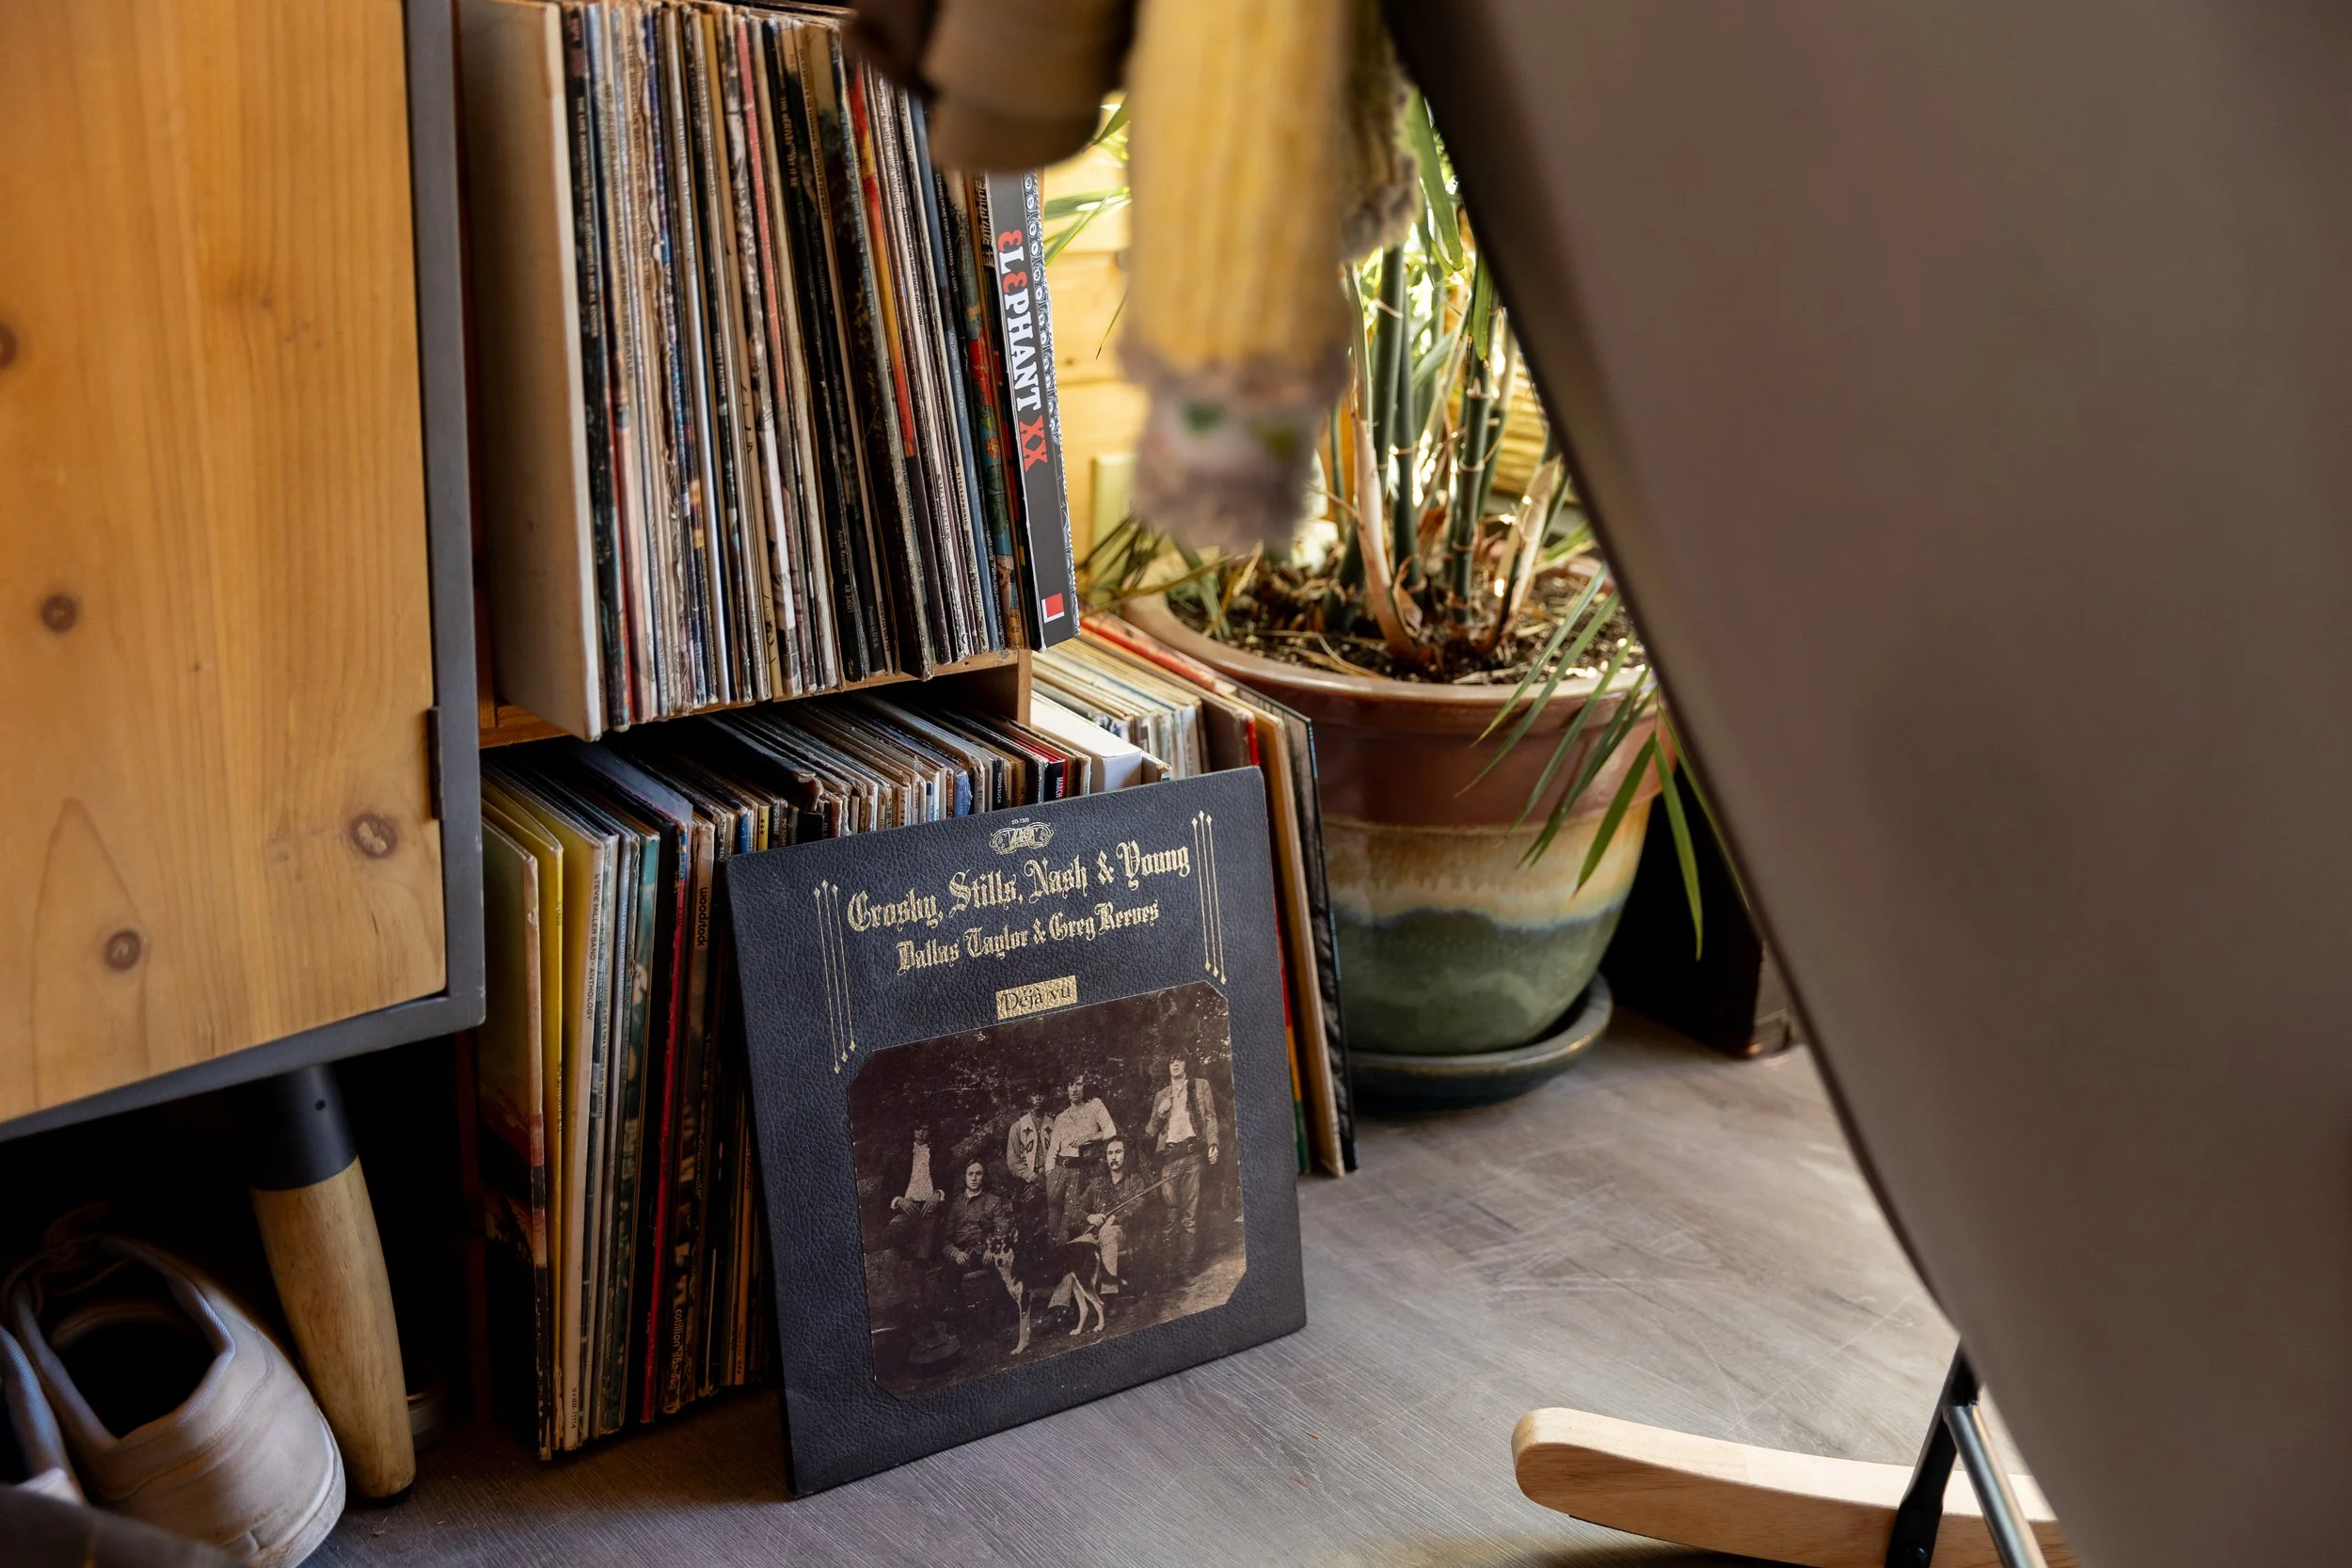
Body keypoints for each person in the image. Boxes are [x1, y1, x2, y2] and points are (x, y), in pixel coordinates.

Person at [942, 1158, 1027, 1354]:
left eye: (978, 1173)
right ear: (964, 1177)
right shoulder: (955, 1206)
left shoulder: (992, 1201)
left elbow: (1002, 1227)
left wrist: (993, 1248)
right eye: (970, 1174)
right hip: (963, 1255)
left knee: (1000, 1277)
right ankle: (965, 1329)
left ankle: (997, 1326)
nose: (974, 1178)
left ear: (983, 1177)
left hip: (986, 1252)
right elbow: (944, 1240)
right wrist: (955, 1253)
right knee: (947, 1279)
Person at [1144, 1056, 1219, 1269]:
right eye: (1171, 1062)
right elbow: (1150, 1132)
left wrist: (1213, 1144)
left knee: (1190, 1215)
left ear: (1186, 1064)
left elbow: (1211, 1119)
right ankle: (1170, 1270)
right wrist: (1160, 1112)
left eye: (1179, 1060)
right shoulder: (1161, 1095)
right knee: (1170, 1216)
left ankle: (1185, 1267)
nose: (1175, 1064)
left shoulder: (1200, 1086)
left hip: (1192, 1156)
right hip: (1168, 1160)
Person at [1043, 1073, 1117, 1243]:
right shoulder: (1061, 1117)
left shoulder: (1094, 1106)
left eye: (1078, 1084)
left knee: (1073, 1219)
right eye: (1070, 1085)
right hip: (1058, 1171)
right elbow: (1053, 1149)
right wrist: (1050, 1174)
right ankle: (1054, 1262)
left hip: (1080, 1171)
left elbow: (1111, 1130)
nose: (1074, 1089)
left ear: (1085, 1086)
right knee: (1053, 1222)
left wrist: (1089, 1137)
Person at [886, 1125, 945, 1261]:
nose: (921, 1133)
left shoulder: (939, 1153)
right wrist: (900, 1200)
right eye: (917, 1129)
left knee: (924, 1248)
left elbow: (948, 1181)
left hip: (929, 1208)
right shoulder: (899, 1154)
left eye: (925, 1129)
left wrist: (937, 1195)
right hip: (905, 1207)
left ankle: (919, 1269)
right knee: (891, 1234)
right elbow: (886, 1187)